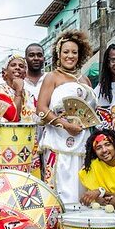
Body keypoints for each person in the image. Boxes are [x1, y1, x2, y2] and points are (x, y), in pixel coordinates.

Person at [36, 29, 94, 204]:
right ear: (58, 54)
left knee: (81, 182)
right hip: (58, 139)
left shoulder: (86, 80)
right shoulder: (52, 77)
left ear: (80, 54)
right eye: (66, 52)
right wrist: (65, 124)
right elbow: (41, 108)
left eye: (74, 52)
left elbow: (91, 112)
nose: (70, 56)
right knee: (60, 185)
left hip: (83, 138)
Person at [0, 54, 41, 176]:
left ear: (25, 73)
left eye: (21, 66)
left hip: (29, 147)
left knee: (30, 186)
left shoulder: (29, 94)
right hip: (7, 148)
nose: (18, 68)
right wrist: (18, 91)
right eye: (13, 65)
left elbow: (38, 118)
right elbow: (13, 118)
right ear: (5, 72)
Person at [24, 43, 46, 107]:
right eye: (31, 55)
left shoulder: (50, 79)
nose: (36, 58)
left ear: (44, 59)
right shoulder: (20, 81)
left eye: (39, 55)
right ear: (25, 59)